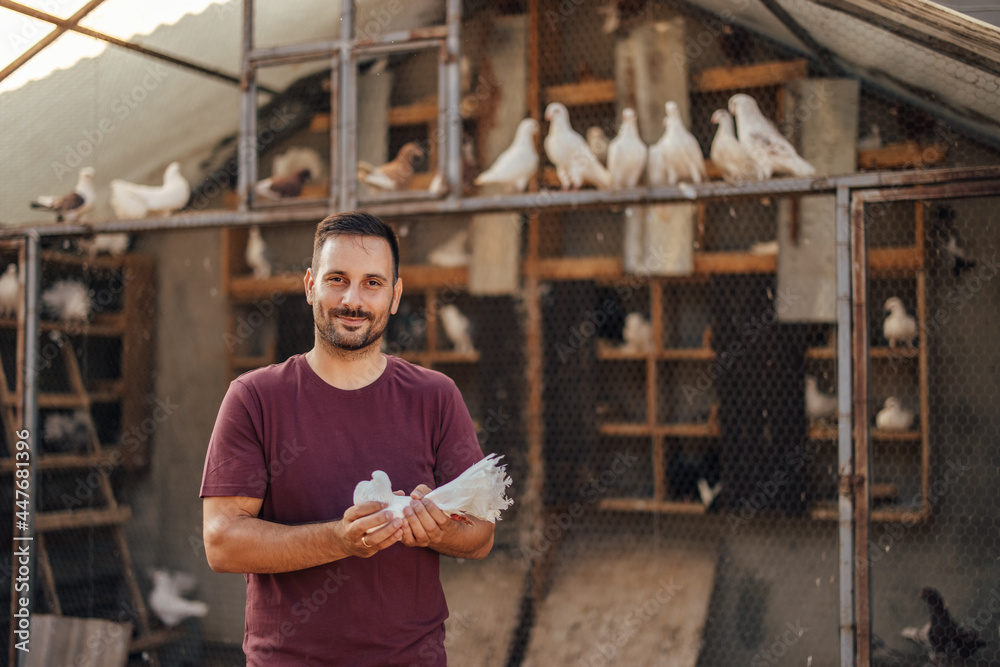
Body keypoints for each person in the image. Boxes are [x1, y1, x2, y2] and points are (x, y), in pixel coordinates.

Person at [201, 211, 495, 666]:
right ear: (309, 286)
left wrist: (433, 530)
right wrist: (339, 539)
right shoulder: (254, 398)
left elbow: (480, 535)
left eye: (372, 283)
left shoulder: (436, 396)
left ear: (395, 296)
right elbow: (221, 541)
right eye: (337, 279)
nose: (353, 300)